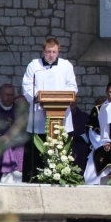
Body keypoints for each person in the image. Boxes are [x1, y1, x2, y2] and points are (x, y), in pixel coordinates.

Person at [21, 37, 78, 182]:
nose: (51, 55)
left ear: (58, 51)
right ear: (43, 51)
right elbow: (27, 86)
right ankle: (34, 179)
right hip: (39, 115)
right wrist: (38, 96)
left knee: (60, 147)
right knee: (37, 152)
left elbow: (72, 86)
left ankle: (61, 176)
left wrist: (60, 97)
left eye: (54, 52)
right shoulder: (34, 66)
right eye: (48, 52)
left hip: (61, 115)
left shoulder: (66, 66)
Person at [0, 83, 29, 182]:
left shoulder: (18, 111)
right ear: (0, 95)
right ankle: (5, 176)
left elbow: (23, 129)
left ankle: (19, 176)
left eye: (11, 95)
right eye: (6, 95)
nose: (9, 97)